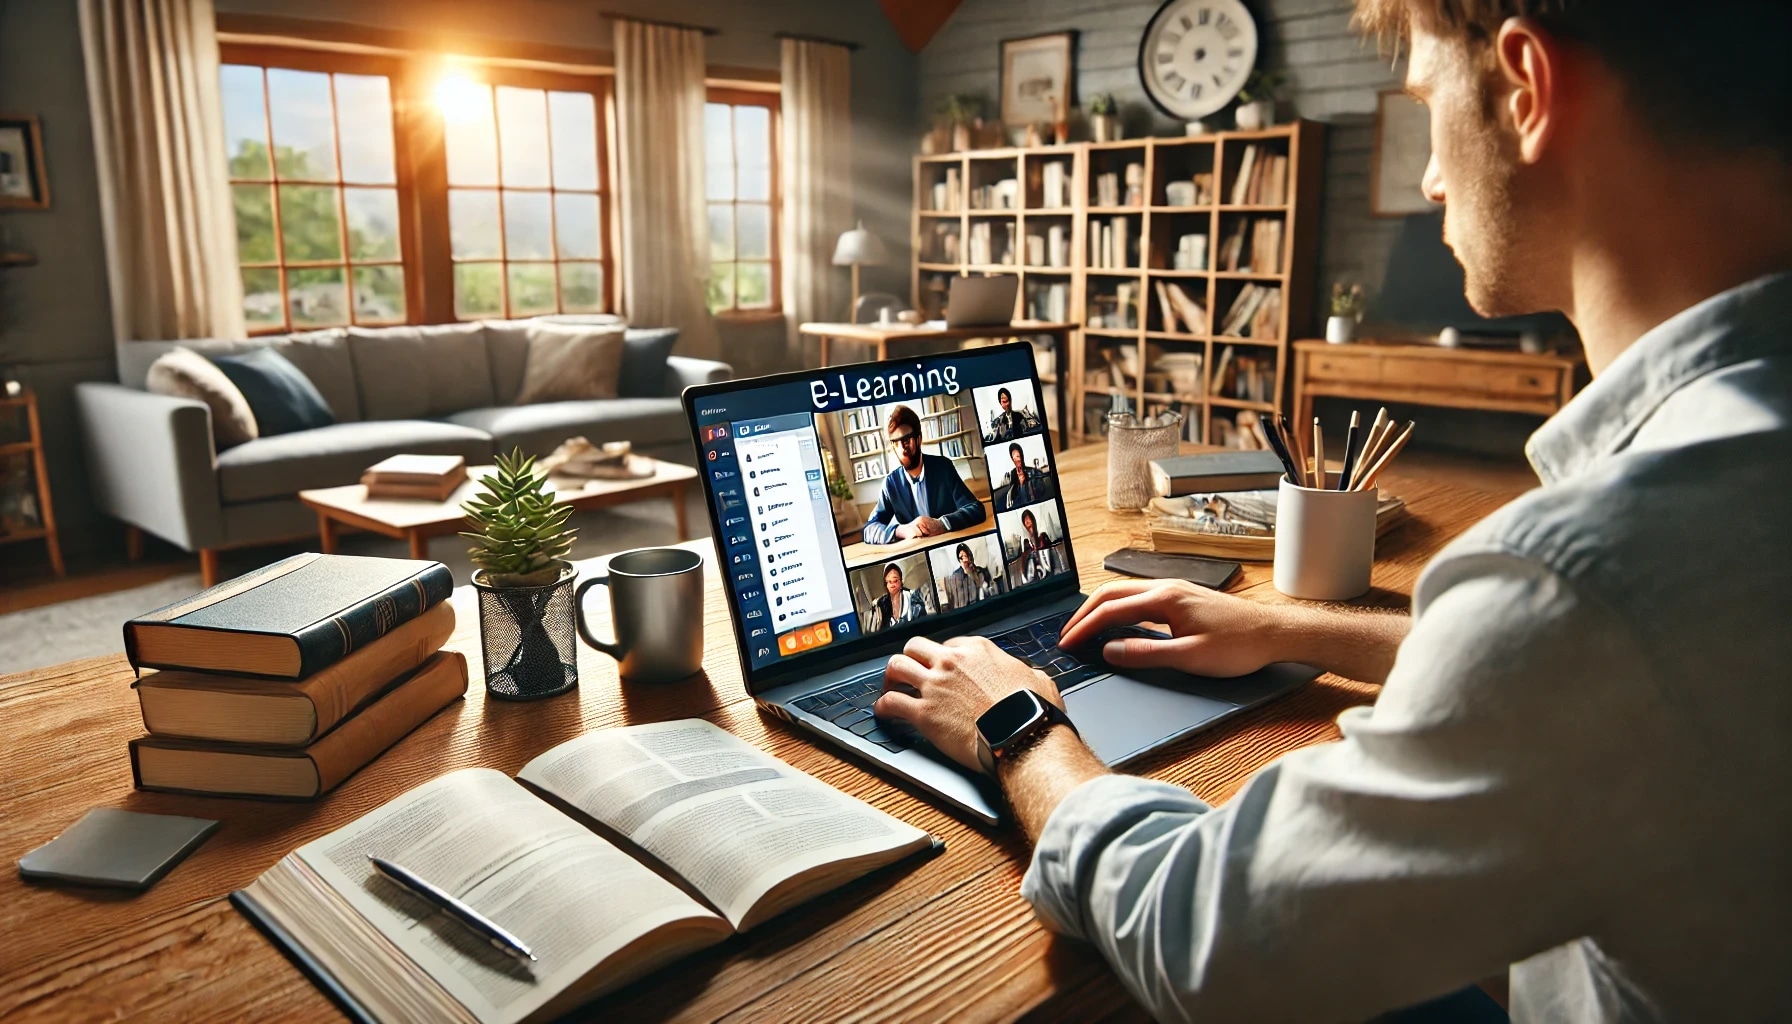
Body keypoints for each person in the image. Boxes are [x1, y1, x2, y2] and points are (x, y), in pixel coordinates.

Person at [873, 0, 1792, 1020]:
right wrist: (1284, 625)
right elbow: (1606, 666)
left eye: (1427, 100)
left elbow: (1210, 939)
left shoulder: (1597, 573)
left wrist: (1016, 723)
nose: (1432, 177)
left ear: (1527, 90)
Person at [862, 404, 987, 545]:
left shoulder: (943, 467)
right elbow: (869, 529)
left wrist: (942, 524)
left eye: (906, 440)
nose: (902, 448)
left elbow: (976, 509)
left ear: (918, 439)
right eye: (896, 443)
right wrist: (901, 530)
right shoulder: (891, 484)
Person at [868, 562, 930, 632]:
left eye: (895, 580)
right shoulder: (881, 603)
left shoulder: (913, 598)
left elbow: (923, 624)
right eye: (889, 581)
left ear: (901, 581)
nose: (892, 585)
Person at [941, 541, 999, 609]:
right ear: (959, 560)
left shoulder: (981, 571)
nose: (965, 559)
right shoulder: (955, 577)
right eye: (961, 557)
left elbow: (991, 591)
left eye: (966, 556)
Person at [997, 442, 1052, 511]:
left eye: (1017, 456)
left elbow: (1040, 491)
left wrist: (1025, 483)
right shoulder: (1013, 474)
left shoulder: (1033, 472)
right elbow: (1013, 500)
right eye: (1013, 457)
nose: (1016, 459)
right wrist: (1020, 484)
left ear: (1021, 455)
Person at [1014, 508, 1057, 583]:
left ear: (1032, 520)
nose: (1027, 522)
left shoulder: (1042, 536)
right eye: (1025, 520)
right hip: (1034, 575)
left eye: (1028, 519)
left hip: (1047, 570)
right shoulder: (1026, 541)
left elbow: (1051, 553)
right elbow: (1024, 560)